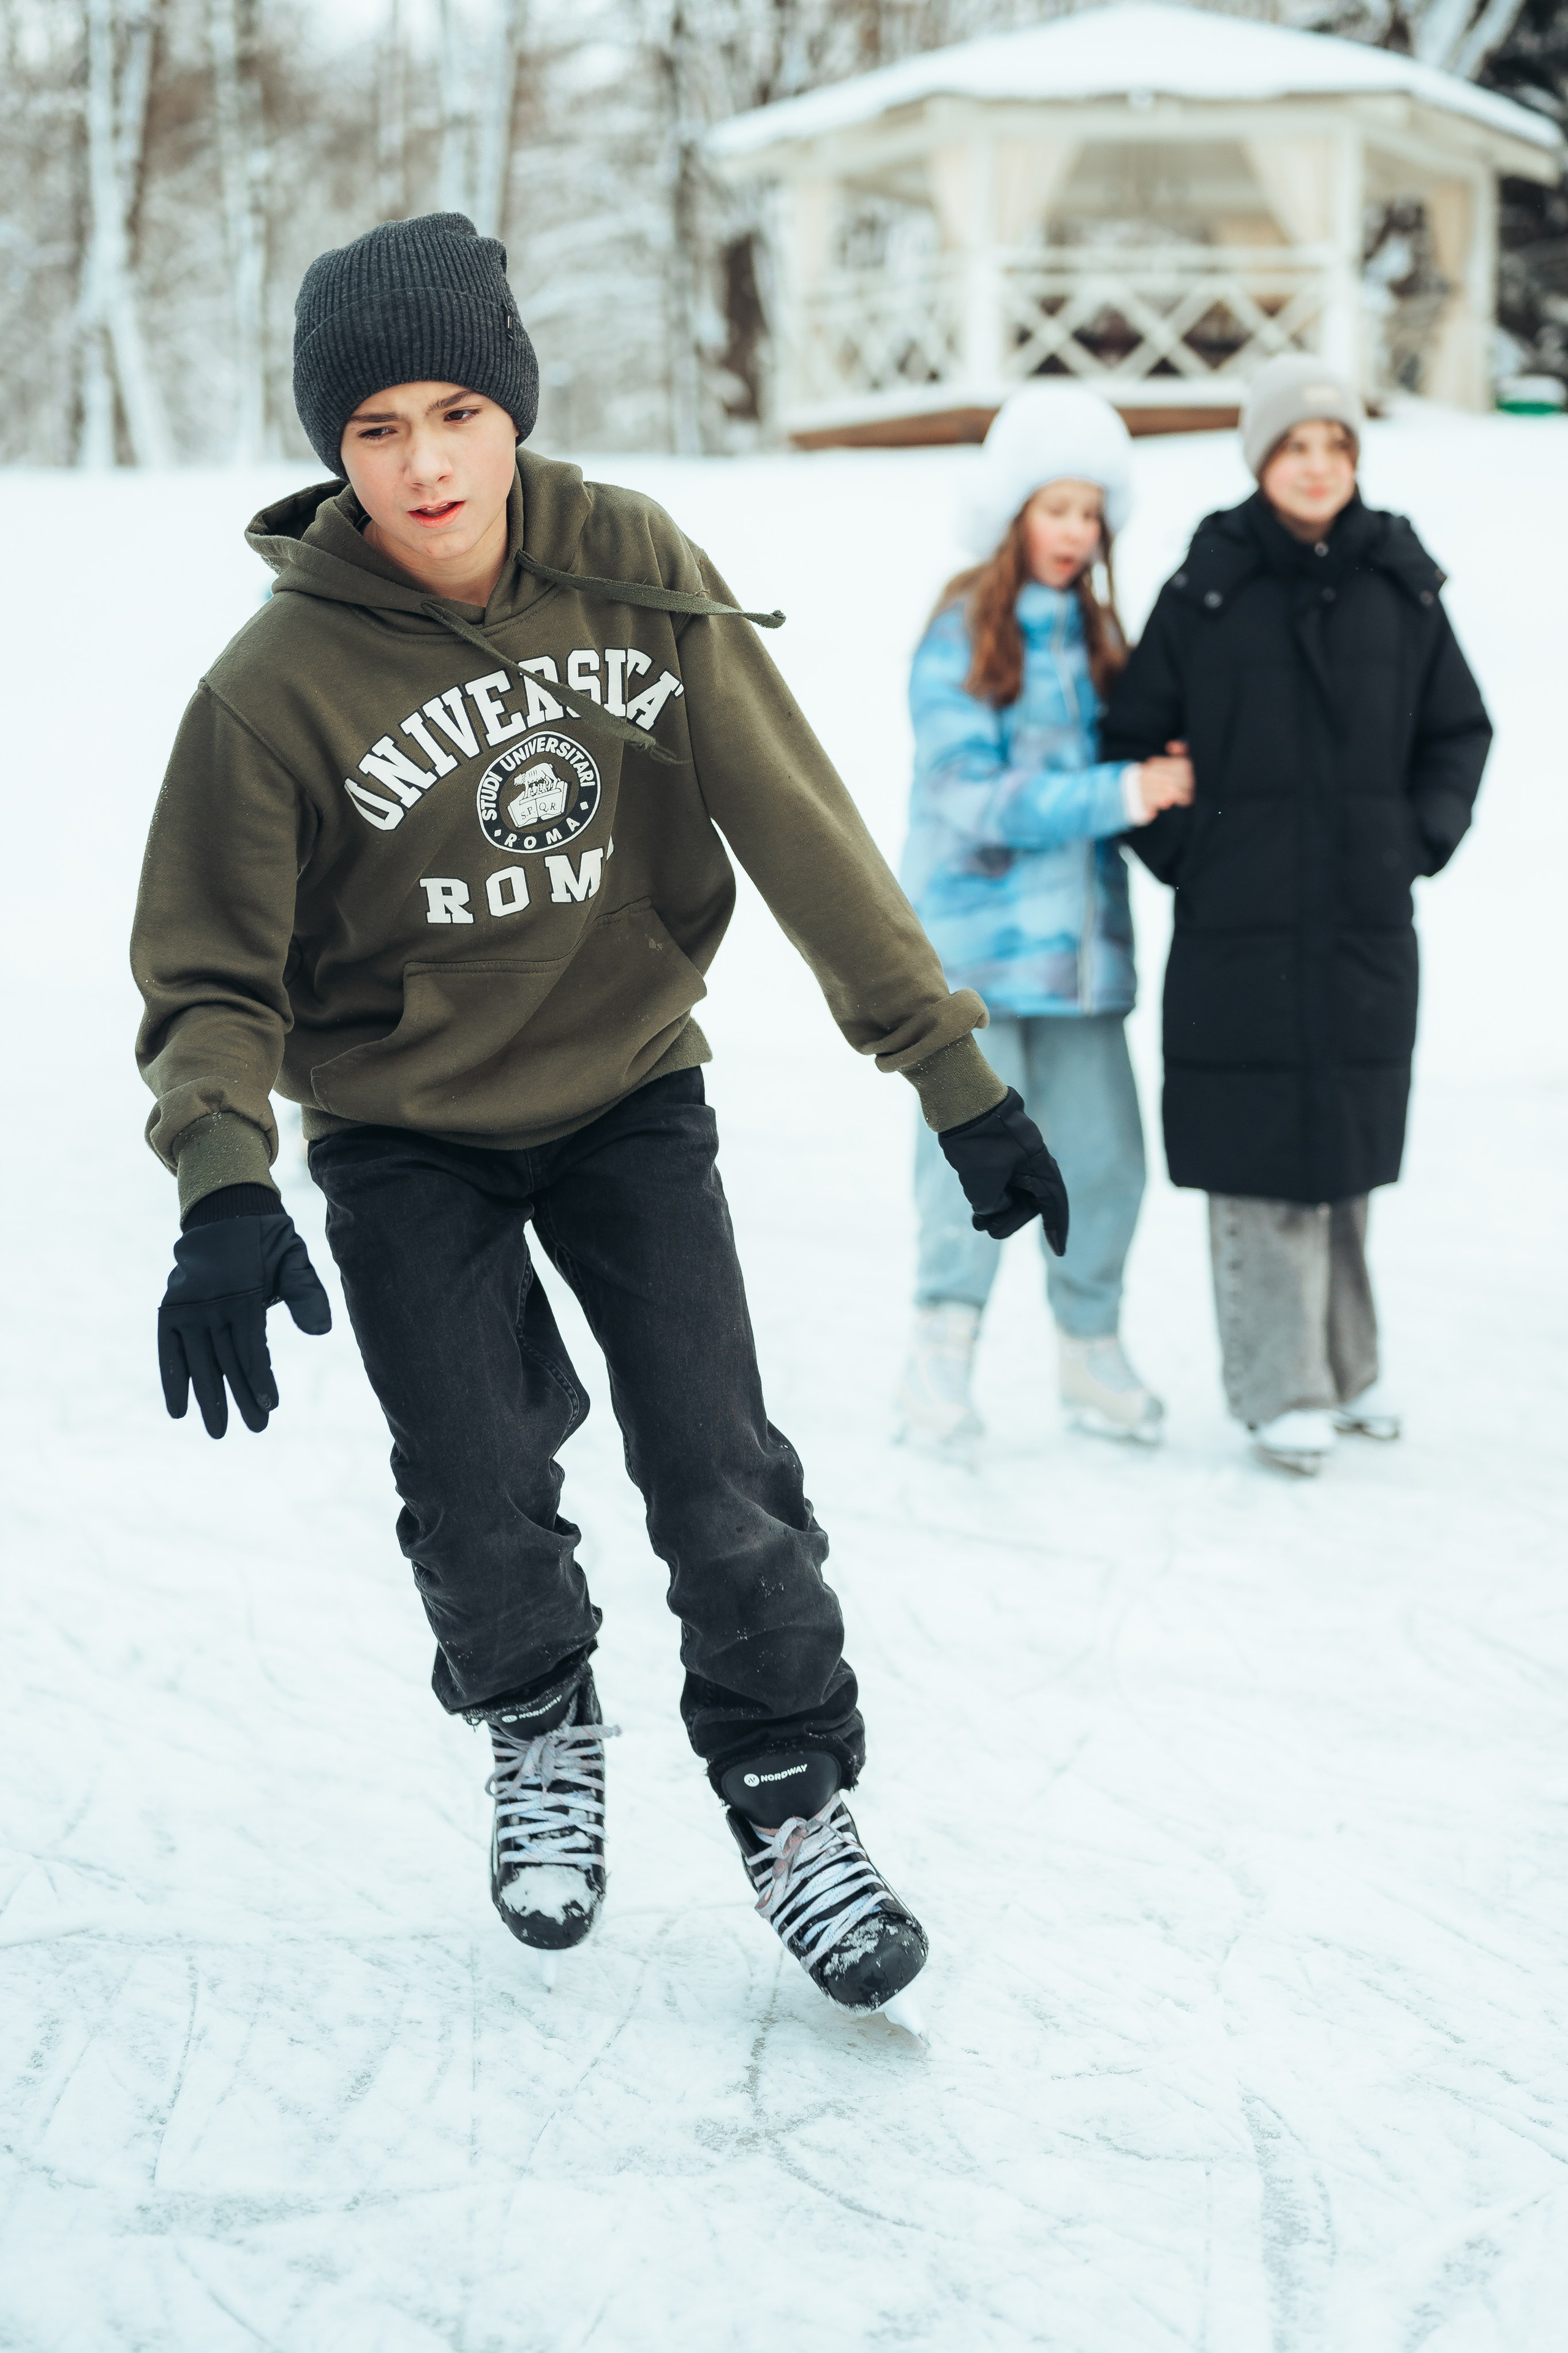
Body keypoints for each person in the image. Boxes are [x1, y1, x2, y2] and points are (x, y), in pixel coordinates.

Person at [132, 213, 1072, 2021]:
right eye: (377, 428)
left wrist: (948, 1074)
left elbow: (794, 822)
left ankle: (789, 1795)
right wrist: (223, 1182)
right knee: (473, 1481)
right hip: (403, 1127)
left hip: (629, 1084)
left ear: (515, 414)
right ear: (335, 448)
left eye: (458, 414)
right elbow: (207, 969)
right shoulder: (273, 686)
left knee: (719, 1469)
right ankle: (538, 1717)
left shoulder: (629, 565)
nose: (425, 463)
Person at [1102, 352, 1491, 1475]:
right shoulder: (1208, 585)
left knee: (1345, 1154)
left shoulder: (1400, 582)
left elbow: (1458, 731)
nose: (1317, 465)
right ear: (1261, 458)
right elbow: (1132, 741)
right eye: (1295, 445)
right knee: (1259, 1155)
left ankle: (1348, 1369)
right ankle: (1280, 1387)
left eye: (1336, 445)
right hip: (1240, 923)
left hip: (1362, 919)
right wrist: (1197, 854)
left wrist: (1415, 840)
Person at [897, 385, 1191, 1457]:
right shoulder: (960, 631)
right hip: (978, 957)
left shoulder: (1101, 635)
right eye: (1056, 508)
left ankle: (1089, 1348)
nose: (1074, 531)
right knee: (971, 1160)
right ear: (1014, 512)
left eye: (1090, 512)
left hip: (1084, 963)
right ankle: (939, 1354)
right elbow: (970, 794)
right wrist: (1123, 791)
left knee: (1108, 1158)